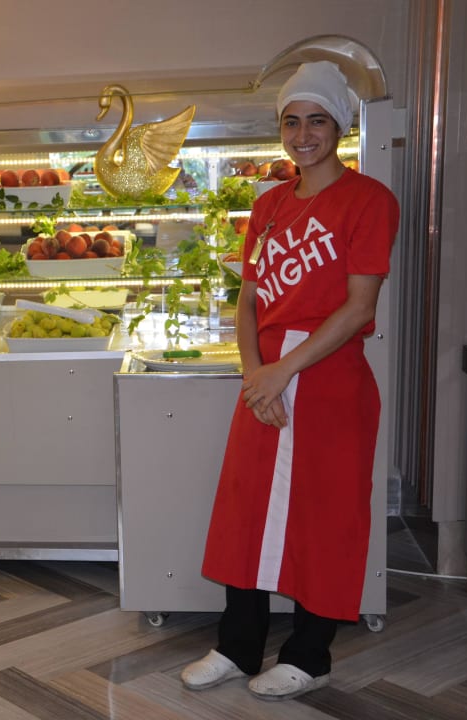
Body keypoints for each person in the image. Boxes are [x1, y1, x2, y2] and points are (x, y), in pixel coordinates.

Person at [180, 60, 400, 701]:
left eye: (317, 121)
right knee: (244, 508)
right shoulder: (268, 205)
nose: (303, 135)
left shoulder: (370, 201)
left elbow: (359, 306)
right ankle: (237, 644)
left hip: (330, 380)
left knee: (325, 516)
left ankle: (310, 654)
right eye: (292, 122)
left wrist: (282, 371)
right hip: (266, 376)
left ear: (341, 126)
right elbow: (247, 300)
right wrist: (257, 375)